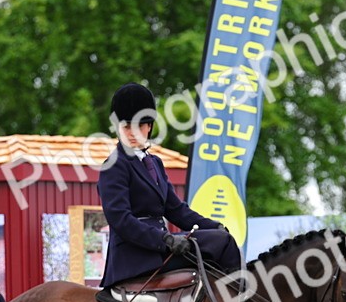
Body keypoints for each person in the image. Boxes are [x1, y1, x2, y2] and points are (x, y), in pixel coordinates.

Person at [97, 82, 242, 288]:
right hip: (135, 254)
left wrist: (215, 226)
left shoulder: (154, 163)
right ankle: (240, 301)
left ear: (149, 127)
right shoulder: (113, 166)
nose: (131, 132)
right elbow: (121, 220)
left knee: (221, 239)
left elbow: (176, 210)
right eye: (126, 126)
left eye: (138, 126)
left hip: (161, 246)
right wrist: (164, 239)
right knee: (220, 244)